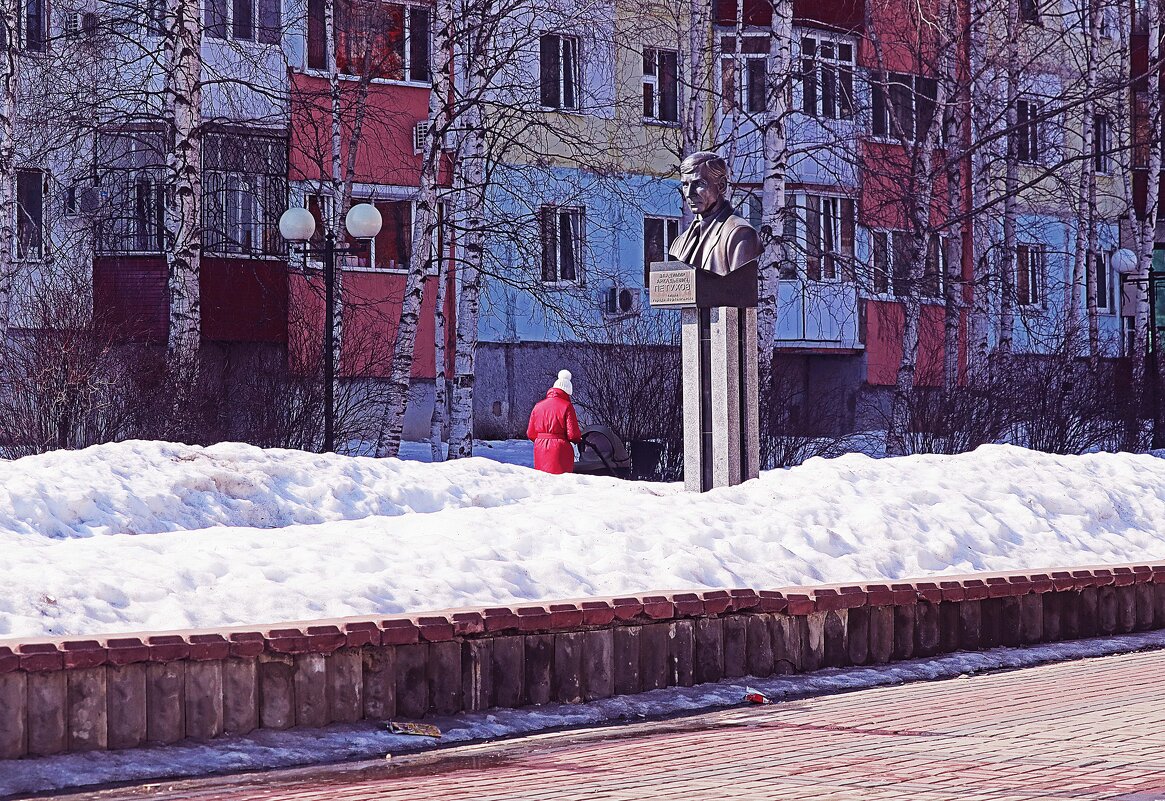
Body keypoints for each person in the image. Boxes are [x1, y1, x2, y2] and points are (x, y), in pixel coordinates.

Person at [668, 151, 761, 276]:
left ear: (721, 186)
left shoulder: (740, 235)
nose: (689, 193)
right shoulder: (679, 243)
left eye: (699, 184)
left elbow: (738, 291)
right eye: (685, 184)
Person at [527, 370, 582, 474]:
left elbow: (531, 433)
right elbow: (573, 435)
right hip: (560, 449)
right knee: (560, 482)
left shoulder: (538, 406)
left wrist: (543, 439)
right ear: (568, 392)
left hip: (540, 448)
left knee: (543, 480)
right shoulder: (567, 406)